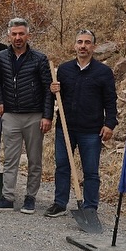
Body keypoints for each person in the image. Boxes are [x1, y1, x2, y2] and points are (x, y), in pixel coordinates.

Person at [48, 29, 118, 218]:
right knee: (62, 167)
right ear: (74, 45)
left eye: (87, 42)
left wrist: (109, 124)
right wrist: (53, 90)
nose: (83, 46)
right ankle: (59, 203)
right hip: (65, 127)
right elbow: (55, 98)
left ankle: (90, 207)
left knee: (91, 171)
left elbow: (110, 101)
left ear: (94, 47)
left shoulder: (103, 72)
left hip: (91, 130)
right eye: (80, 42)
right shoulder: (64, 69)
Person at [0, 18, 53, 215]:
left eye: (21, 34)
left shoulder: (39, 59)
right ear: (9, 36)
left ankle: (30, 198)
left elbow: (48, 89)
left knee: (34, 160)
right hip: (11, 115)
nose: (18, 37)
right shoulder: (0, 57)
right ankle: (7, 198)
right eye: (14, 34)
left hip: (34, 115)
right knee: (10, 159)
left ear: (28, 35)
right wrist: (0, 102)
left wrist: (47, 116)